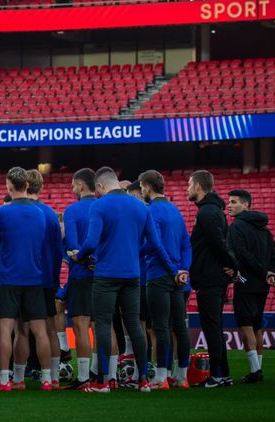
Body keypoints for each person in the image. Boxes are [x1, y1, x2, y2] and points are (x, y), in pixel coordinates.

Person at [73, 168, 184, 393]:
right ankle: (143, 380)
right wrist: (135, 252)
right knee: (134, 324)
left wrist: (80, 256)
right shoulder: (141, 206)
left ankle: (103, 381)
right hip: (133, 274)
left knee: (103, 324)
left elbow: (91, 242)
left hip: (106, 274)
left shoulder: (99, 206)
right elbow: (155, 243)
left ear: (100, 186)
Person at [0, 167, 58, 392]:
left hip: (9, 278)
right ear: (27, 185)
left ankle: (5, 380)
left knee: (7, 330)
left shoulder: (2, 213)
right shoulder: (40, 213)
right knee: (39, 331)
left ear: (9, 186)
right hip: (34, 278)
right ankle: (46, 378)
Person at [138, 169, 192, 389]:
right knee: (179, 326)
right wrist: (183, 270)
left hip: (159, 274)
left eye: (141, 187)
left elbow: (155, 244)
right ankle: (181, 376)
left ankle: (161, 377)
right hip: (178, 277)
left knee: (160, 326)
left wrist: (136, 252)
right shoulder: (175, 210)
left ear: (147, 187)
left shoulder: (151, 211)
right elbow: (186, 243)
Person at [187, 170, 237, 388]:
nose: (187, 188)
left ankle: (217, 375)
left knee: (212, 328)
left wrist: (233, 266)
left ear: (198, 186)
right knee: (214, 327)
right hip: (213, 277)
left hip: (209, 278)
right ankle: (223, 374)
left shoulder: (207, 213)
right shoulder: (212, 211)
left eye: (190, 184)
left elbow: (219, 244)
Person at [226, 188, 275, 385]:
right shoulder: (265, 230)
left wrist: (262, 272)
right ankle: (258, 369)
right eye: (229, 202)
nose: (229, 206)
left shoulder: (236, 227)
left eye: (233, 202)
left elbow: (242, 254)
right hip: (262, 284)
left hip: (245, 281)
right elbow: (274, 255)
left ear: (246, 204)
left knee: (245, 324)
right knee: (256, 326)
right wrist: (271, 273)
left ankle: (255, 370)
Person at [27, 169, 64, 384]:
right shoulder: (50, 214)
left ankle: (17, 375)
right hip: (47, 278)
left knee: (22, 329)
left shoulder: (21, 211)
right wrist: (55, 278)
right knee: (50, 329)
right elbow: (58, 251)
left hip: (26, 279)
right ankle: (53, 376)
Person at [62, 167, 99, 389]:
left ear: (81, 185)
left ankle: (84, 378)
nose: (72, 189)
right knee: (103, 326)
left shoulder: (72, 210)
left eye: (73, 185)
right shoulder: (104, 206)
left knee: (81, 325)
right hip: (105, 274)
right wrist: (98, 262)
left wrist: (86, 261)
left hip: (81, 275)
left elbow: (73, 245)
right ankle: (103, 375)